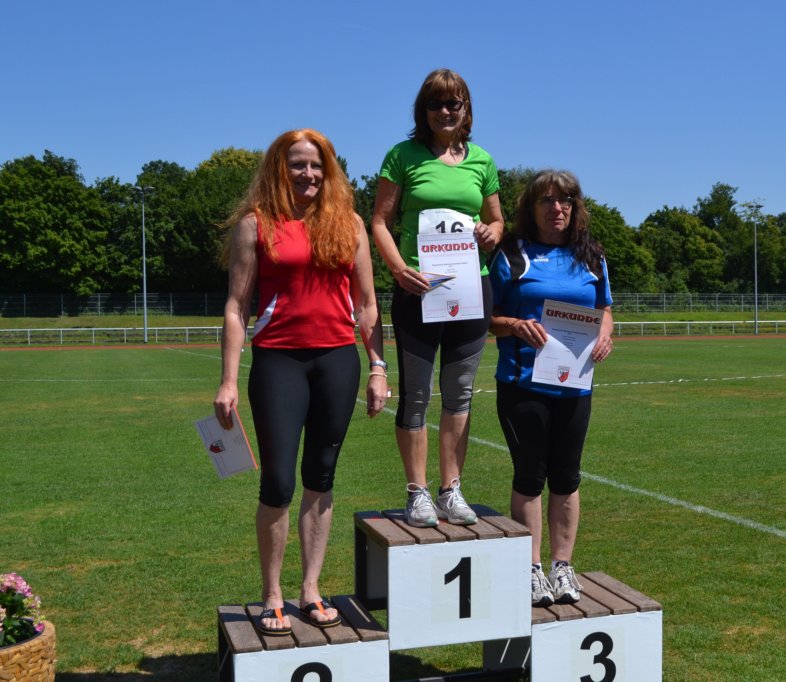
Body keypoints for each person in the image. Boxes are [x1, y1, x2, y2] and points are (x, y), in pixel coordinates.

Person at [214, 129, 390, 636]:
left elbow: (367, 305)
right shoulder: (256, 224)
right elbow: (236, 307)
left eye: (317, 165)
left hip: (337, 361)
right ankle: (272, 594)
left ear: (328, 170)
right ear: (279, 169)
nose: (308, 174)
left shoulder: (349, 224)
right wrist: (228, 381)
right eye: (297, 164)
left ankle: (310, 589)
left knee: (321, 476)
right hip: (278, 363)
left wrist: (378, 367)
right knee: (278, 481)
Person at [370, 68, 504, 528]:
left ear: (466, 109)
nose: (445, 111)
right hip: (418, 291)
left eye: (453, 103)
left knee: (460, 392)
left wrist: (492, 233)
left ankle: (451, 490)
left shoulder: (482, 160)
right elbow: (379, 222)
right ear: (422, 110)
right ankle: (417, 492)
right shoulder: (402, 156)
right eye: (435, 103)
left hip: (471, 288)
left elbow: (497, 222)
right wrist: (398, 269)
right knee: (416, 395)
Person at [488, 170, 614, 606]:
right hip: (523, 385)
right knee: (530, 475)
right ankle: (531, 569)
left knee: (567, 476)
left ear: (576, 207)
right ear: (532, 207)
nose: (557, 208)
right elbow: (486, 318)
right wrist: (514, 325)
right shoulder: (512, 254)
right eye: (547, 200)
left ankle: (562, 566)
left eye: (565, 201)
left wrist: (605, 335)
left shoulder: (591, 256)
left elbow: (604, 309)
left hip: (575, 387)